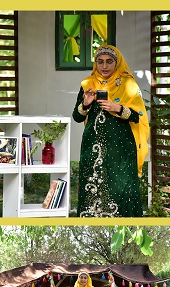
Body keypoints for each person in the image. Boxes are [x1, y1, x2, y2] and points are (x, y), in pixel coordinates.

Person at [72, 44, 149, 217]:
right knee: (93, 188)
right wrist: (86, 104)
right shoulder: (87, 85)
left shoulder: (128, 84)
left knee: (121, 188)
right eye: (100, 62)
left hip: (121, 149)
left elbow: (138, 116)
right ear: (95, 64)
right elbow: (76, 117)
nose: (104, 66)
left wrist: (118, 108)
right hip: (93, 148)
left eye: (109, 62)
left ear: (117, 63)